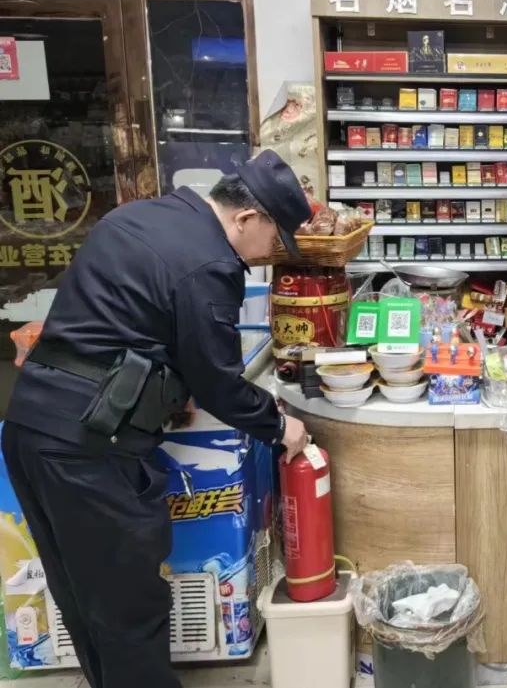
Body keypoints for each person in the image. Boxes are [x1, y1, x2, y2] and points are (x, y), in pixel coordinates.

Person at [1, 150, 312, 688]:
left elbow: (129, 320)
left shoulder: (140, 215)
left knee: (84, 599)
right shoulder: (211, 263)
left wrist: (169, 387)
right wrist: (280, 425)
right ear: (246, 217)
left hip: (30, 424)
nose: (271, 253)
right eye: (276, 238)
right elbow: (218, 382)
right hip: (90, 445)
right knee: (130, 610)